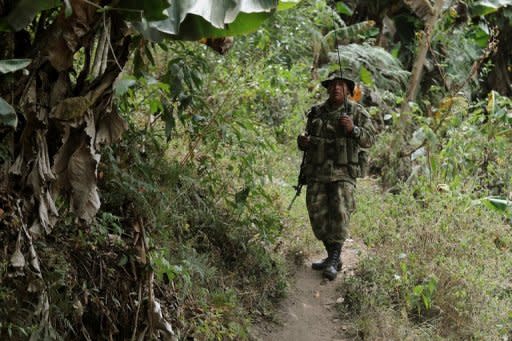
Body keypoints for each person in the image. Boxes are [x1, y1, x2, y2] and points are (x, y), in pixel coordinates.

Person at [297, 71, 376, 280]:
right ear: (328, 88)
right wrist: (303, 142)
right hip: (318, 171)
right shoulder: (316, 112)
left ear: (349, 90)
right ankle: (332, 255)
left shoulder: (356, 112)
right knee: (317, 214)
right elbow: (308, 138)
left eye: (341, 85)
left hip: (343, 172)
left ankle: (333, 259)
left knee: (340, 213)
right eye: (333, 85)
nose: (336, 88)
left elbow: (369, 140)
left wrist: (353, 130)